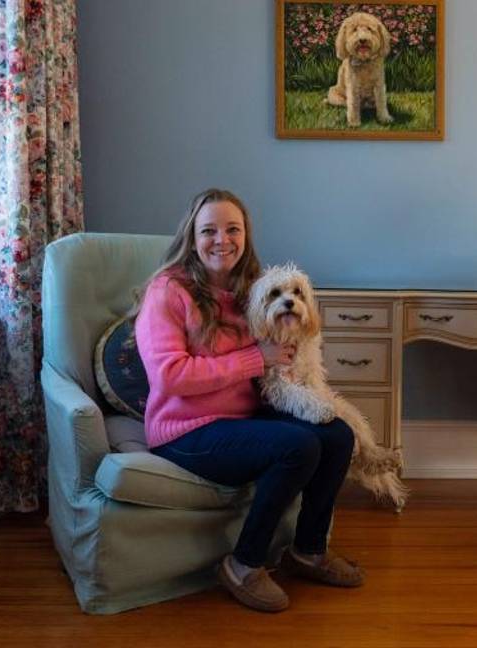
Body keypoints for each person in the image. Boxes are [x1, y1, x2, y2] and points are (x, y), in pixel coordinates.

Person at [134, 188, 364, 613]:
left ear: (245, 236)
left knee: (337, 436)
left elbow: (285, 346)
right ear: (192, 237)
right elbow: (169, 376)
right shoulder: (167, 291)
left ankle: (308, 550)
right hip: (186, 429)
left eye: (232, 229)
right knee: (299, 446)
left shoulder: (253, 289)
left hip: (245, 416)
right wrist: (255, 358)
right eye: (209, 231)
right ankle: (244, 563)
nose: (222, 240)